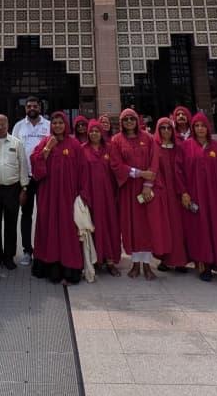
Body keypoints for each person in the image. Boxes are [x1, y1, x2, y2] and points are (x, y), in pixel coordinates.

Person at [110, 107, 170, 280]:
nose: (129, 122)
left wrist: (148, 183)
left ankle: (147, 265)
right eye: (126, 119)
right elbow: (116, 165)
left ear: (137, 121)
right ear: (121, 122)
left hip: (146, 189)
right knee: (132, 226)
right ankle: (135, 264)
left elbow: (154, 162)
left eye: (132, 119)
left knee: (147, 226)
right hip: (128, 189)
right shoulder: (116, 140)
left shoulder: (148, 138)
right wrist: (138, 173)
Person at [30, 112, 88, 285]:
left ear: (66, 125)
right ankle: (51, 267)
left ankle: (69, 269)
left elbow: (83, 170)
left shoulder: (75, 144)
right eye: (54, 123)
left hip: (68, 197)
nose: (57, 126)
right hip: (48, 196)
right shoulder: (45, 142)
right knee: (48, 228)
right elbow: (36, 167)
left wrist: (82, 195)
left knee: (68, 231)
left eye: (60, 123)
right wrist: (47, 149)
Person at [180, 113, 217, 281]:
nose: (200, 129)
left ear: (208, 128)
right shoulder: (185, 147)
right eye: (196, 126)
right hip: (196, 197)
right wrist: (184, 192)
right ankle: (204, 266)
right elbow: (179, 172)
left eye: (203, 126)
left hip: (216, 199)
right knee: (200, 231)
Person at [0, 114, 29, 270]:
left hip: (12, 188)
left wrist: (24, 188)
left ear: (8, 124)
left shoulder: (17, 144)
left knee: (11, 224)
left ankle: (9, 256)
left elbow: (23, 166)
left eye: (2, 124)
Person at [12, 96, 50, 266]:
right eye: (29, 106)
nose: (32, 108)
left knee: (44, 214)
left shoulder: (49, 126)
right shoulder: (19, 126)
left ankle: (45, 250)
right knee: (26, 214)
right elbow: (13, 151)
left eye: (35, 105)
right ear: (25, 108)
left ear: (40, 107)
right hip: (25, 178)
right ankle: (27, 250)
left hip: (44, 178)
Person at [81, 119, 121, 274]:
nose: (94, 133)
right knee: (92, 227)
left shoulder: (109, 149)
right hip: (90, 195)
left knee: (109, 226)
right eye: (91, 131)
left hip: (107, 196)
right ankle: (95, 260)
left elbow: (118, 169)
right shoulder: (82, 149)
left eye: (97, 131)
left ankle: (110, 261)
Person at [153, 118, 189, 273]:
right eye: (162, 128)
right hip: (161, 193)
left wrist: (184, 191)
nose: (166, 131)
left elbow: (184, 170)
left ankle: (180, 260)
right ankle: (166, 260)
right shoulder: (154, 148)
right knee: (164, 227)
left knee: (179, 227)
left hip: (177, 194)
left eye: (168, 128)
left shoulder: (179, 148)